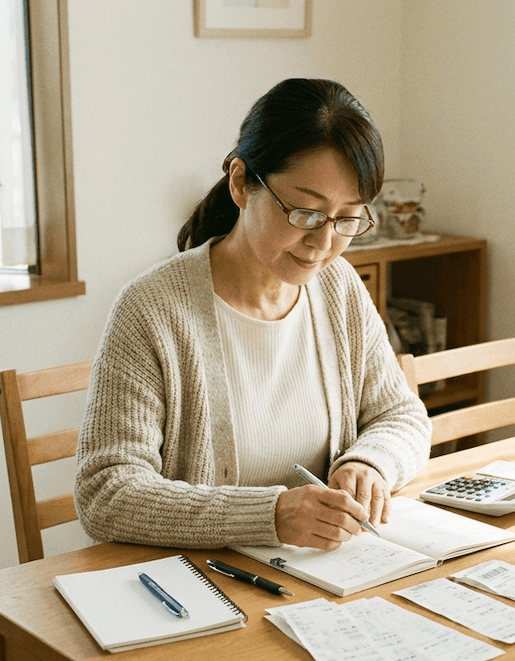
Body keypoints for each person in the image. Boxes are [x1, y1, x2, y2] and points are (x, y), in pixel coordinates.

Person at [74, 78, 432, 552]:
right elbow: (108, 491)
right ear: (241, 183)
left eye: (347, 218)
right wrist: (268, 516)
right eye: (305, 213)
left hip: (323, 577)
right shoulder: (153, 310)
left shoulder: (339, 286)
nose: (324, 244)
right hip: (205, 585)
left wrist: (371, 462)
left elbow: (401, 413)